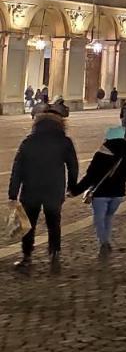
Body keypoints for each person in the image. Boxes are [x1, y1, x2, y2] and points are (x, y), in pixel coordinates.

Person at [8, 107, 78, 272]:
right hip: (54, 190)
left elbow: (17, 168)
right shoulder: (64, 141)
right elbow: (73, 166)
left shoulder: (28, 141)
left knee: (28, 225)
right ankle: (54, 254)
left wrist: (13, 193)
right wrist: (72, 187)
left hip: (30, 190)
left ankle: (26, 257)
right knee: (54, 224)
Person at [68, 126, 126, 255]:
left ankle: (104, 242)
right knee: (108, 217)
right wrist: (117, 181)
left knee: (99, 219)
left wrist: (75, 191)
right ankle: (106, 239)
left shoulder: (100, 154)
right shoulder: (125, 155)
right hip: (118, 193)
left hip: (100, 193)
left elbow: (90, 176)